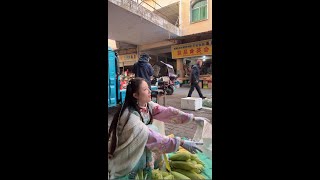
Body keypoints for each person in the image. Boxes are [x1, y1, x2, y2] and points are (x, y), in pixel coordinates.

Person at [108, 77, 208, 179]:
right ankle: (138, 169)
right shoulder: (130, 117)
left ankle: (148, 165)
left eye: (148, 88)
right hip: (129, 154)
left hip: (143, 143)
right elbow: (151, 137)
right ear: (135, 95)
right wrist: (181, 142)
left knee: (154, 128)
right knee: (153, 130)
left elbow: (168, 112)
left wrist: (192, 118)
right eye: (145, 89)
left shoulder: (147, 106)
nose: (150, 91)